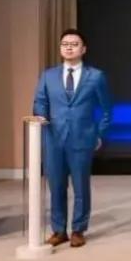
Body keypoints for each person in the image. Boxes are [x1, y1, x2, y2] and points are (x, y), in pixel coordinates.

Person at [33, 29, 113, 249]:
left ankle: (78, 229)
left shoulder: (95, 76)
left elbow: (107, 109)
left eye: (74, 44)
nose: (69, 47)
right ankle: (59, 230)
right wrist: (41, 117)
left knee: (80, 187)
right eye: (65, 44)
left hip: (82, 138)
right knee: (56, 187)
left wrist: (99, 134)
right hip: (53, 138)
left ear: (83, 49)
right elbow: (40, 101)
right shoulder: (48, 75)